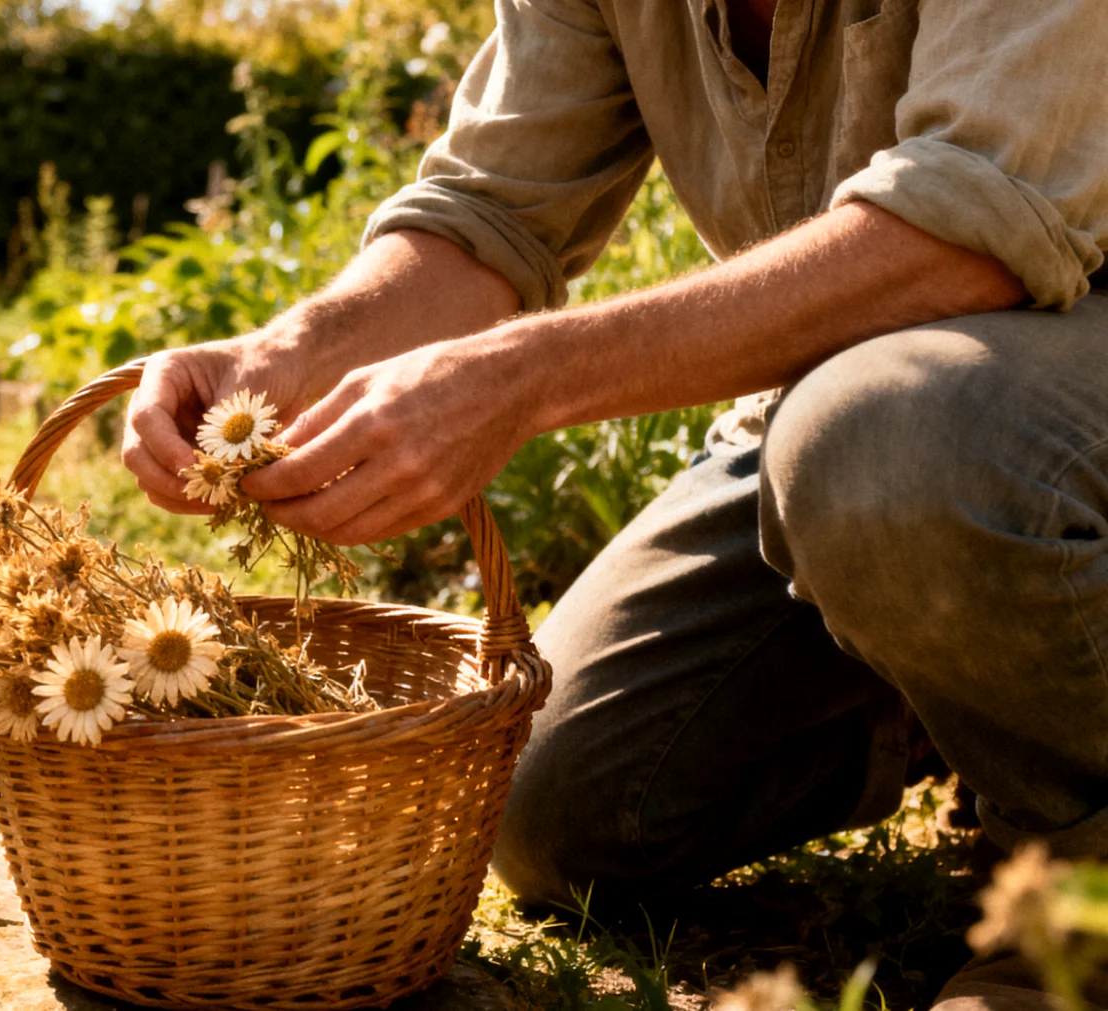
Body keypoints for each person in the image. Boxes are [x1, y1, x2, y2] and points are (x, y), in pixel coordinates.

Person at [120, 2, 1108, 1007]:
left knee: (885, 446)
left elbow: (972, 226)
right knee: (562, 812)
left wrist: (523, 377)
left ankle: (1084, 915)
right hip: (856, 415)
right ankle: (970, 694)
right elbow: (488, 214)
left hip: (1030, 371)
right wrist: (283, 354)